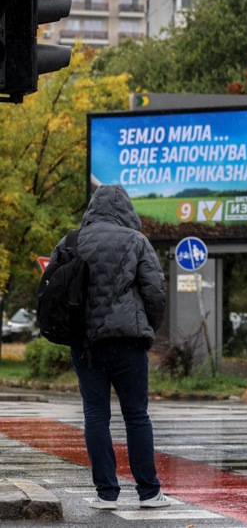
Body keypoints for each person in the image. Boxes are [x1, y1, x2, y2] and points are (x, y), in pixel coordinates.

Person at [48, 184, 170, 511]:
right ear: (126, 209)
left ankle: (106, 493)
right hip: (128, 343)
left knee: (96, 416)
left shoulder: (71, 241)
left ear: (92, 208)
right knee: (136, 416)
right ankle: (148, 492)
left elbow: (51, 288)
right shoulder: (135, 241)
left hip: (85, 344)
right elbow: (155, 291)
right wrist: (147, 327)